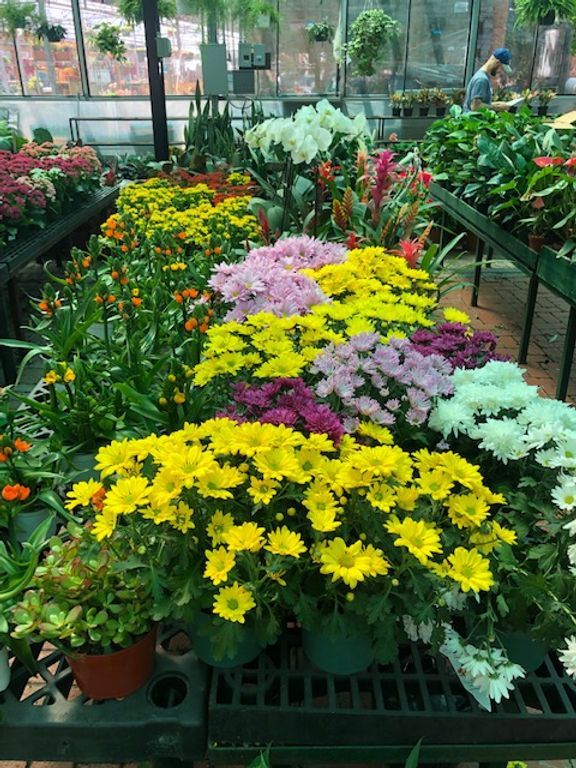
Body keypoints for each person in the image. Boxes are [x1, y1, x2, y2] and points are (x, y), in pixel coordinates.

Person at [463, 48, 513, 112]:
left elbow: (480, 103)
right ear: (497, 63)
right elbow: (475, 107)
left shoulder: (482, 76)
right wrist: (496, 107)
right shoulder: (481, 79)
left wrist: (496, 104)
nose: (500, 72)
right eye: (501, 68)